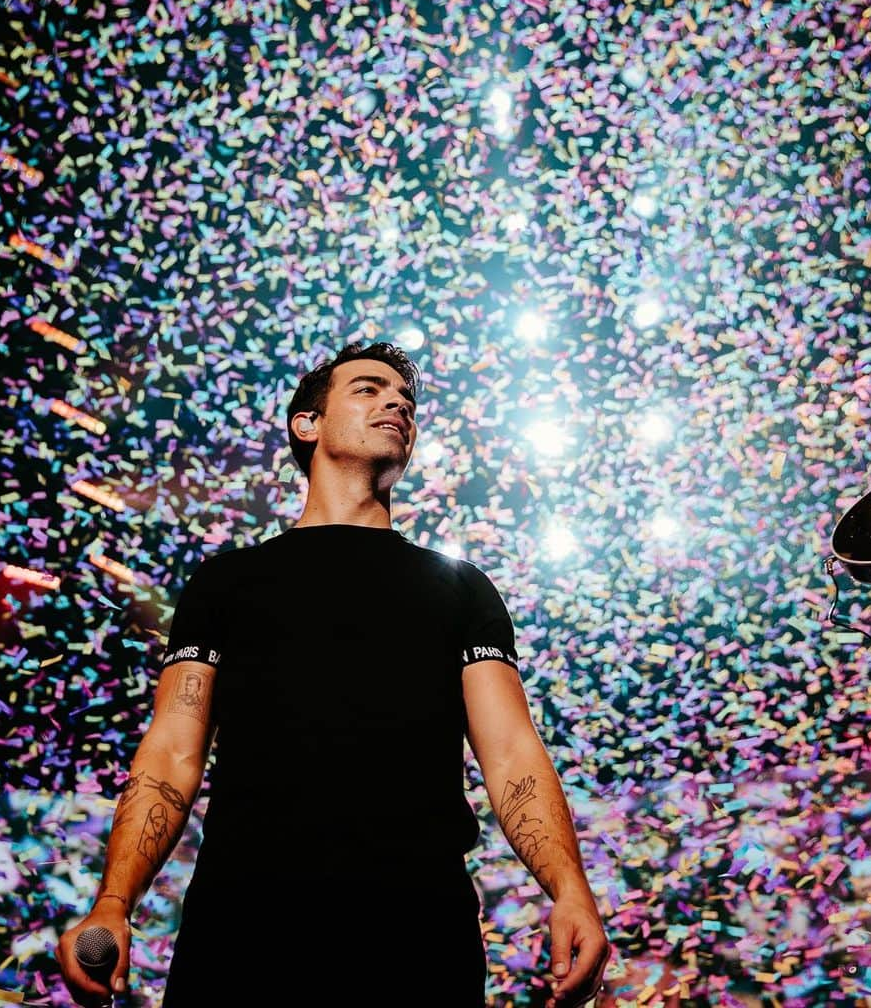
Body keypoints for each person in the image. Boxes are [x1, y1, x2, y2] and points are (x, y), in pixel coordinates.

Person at [56, 341, 611, 1007]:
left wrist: (570, 889)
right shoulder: (226, 583)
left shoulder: (462, 589)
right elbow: (173, 749)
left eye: (405, 398)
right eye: (369, 389)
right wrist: (114, 900)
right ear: (306, 424)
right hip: (244, 930)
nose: (397, 402)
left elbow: (513, 752)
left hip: (416, 934)